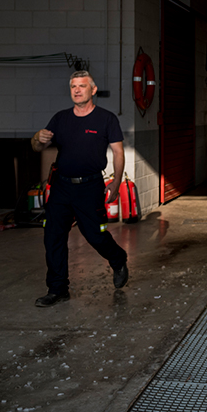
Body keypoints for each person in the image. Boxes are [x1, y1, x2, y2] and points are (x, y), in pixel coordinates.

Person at [31, 71, 128, 307]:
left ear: (92, 90)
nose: (76, 90)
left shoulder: (106, 119)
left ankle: (118, 259)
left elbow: (118, 152)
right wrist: (36, 138)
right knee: (53, 236)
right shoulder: (60, 118)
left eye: (82, 86)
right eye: (73, 86)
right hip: (62, 186)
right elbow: (37, 147)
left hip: (90, 187)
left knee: (94, 234)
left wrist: (115, 183)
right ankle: (57, 289)